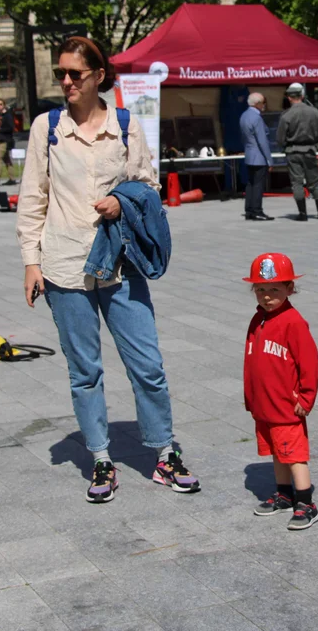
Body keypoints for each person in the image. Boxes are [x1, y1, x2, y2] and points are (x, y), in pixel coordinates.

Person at [17, 35, 200, 503]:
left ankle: (164, 452)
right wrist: (31, 263)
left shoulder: (125, 124)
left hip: (120, 264)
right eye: (61, 73)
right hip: (63, 267)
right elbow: (33, 197)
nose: (66, 81)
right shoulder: (48, 126)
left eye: (75, 74)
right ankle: (100, 458)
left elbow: (147, 184)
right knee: (84, 372)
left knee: (148, 365)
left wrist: (121, 201)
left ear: (99, 76)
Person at [242, 252, 318, 530]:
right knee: (277, 452)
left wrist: (307, 397)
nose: (266, 296)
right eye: (260, 289)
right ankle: (285, 494)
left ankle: (306, 503)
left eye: (274, 289)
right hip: (265, 404)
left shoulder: (293, 322)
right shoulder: (258, 320)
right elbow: (251, 361)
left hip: (287, 406)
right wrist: (250, 397)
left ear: (289, 289)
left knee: (294, 454)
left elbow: (309, 363)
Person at [277, 83, 318, 221]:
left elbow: (280, 138)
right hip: (309, 149)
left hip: (293, 150)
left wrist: (285, 145)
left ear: (289, 97)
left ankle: (303, 213)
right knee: (315, 182)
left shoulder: (286, 115)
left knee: (297, 182)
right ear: (301, 96)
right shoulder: (314, 112)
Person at [240, 93, 274, 221]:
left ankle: (249, 210)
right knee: (258, 185)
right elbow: (262, 141)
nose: (264, 105)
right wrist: (269, 160)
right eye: (263, 102)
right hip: (259, 156)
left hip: (249, 155)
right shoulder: (257, 118)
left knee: (250, 184)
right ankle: (257, 211)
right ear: (257, 103)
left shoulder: (244, 116)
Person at [0, 98, 17, 186]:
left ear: (4, 105)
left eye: (0, 104)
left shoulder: (8, 115)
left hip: (5, 140)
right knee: (7, 160)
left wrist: (0, 131)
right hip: (0, 139)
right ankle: (12, 178)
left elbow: (10, 128)